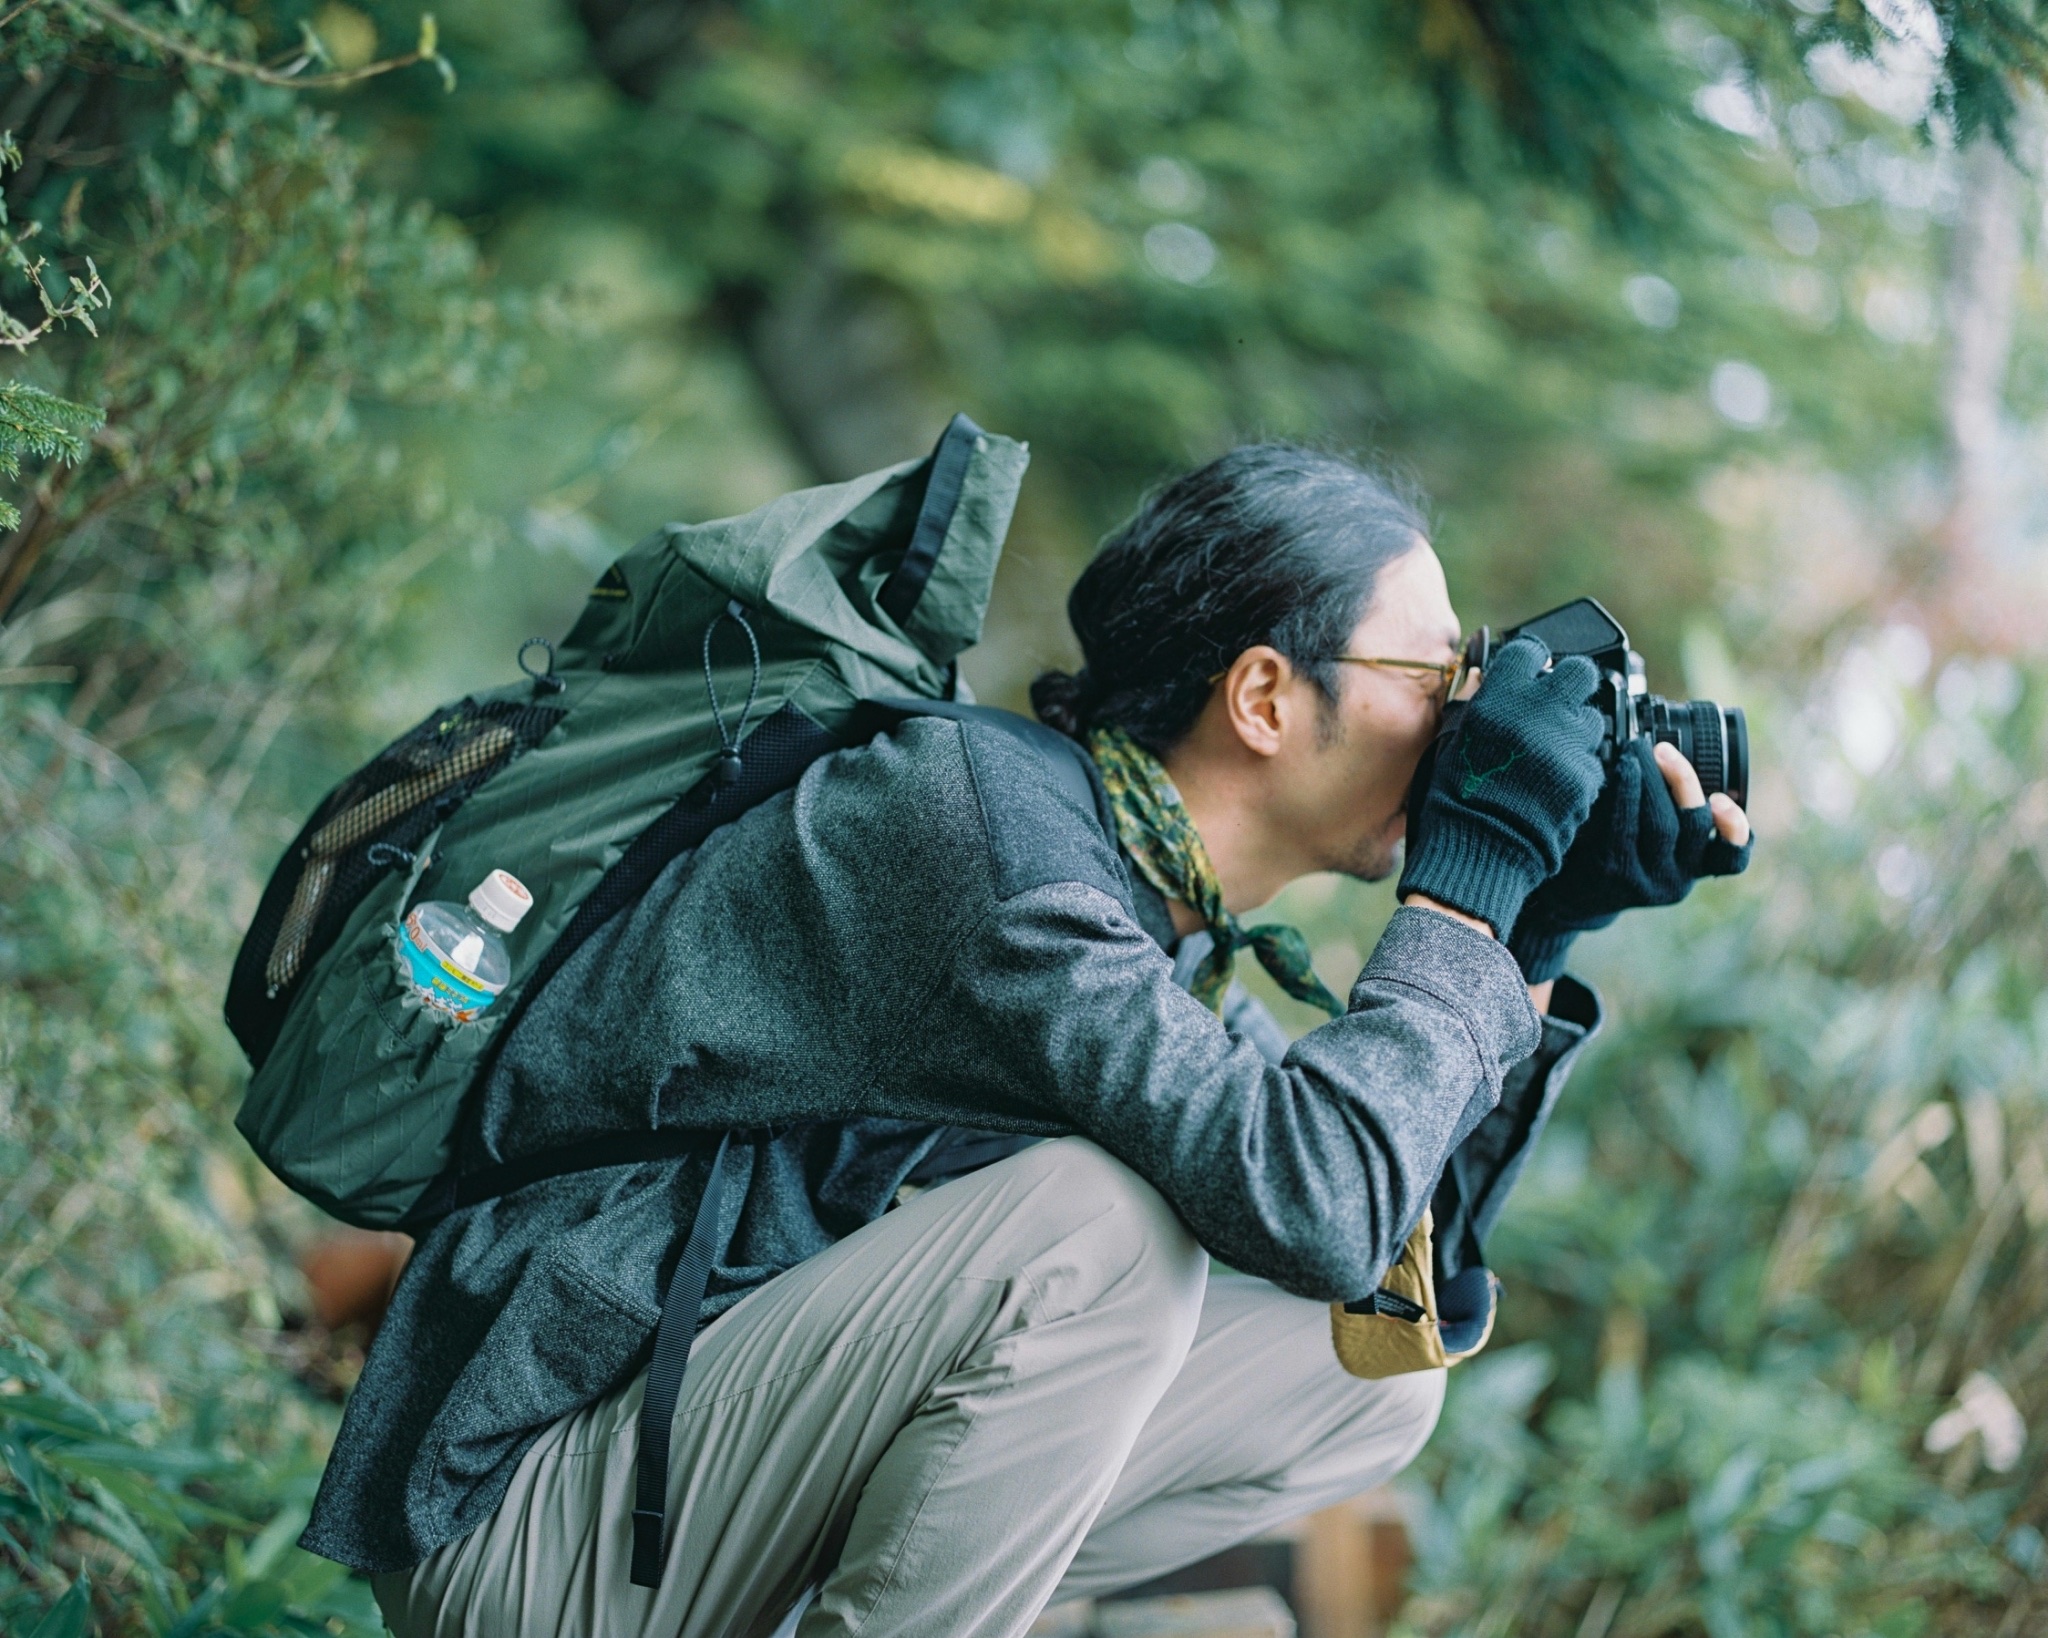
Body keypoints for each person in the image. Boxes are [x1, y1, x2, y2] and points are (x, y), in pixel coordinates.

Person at [304, 444, 1751, 1637]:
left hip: (685, 1488)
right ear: (1263, 697)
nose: (1465, 726)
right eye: (1438, 680)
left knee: (1365, 1371)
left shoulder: (1148, 914)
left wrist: (1536, 923)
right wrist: (1470, 879)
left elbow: (1368, 1256)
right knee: (1101, 1230)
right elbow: (1313, 1185)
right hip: (533, 1505)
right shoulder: (988, 845)